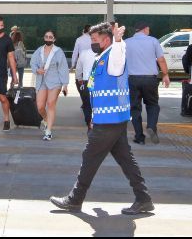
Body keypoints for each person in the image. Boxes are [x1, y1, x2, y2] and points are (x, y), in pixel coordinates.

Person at [50, 21, 154, 215]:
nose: (92, 42)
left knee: (90, 158)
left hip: (109, 122)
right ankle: (143, 198)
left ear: (106, 40)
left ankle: (74, 199)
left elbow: (119, 53)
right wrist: (93, 116)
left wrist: (118, 40)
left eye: (95, 39)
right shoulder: (102, 58)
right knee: (126, 160)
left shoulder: (114, 57)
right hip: (111, 119)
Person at [125, 22, 170, 145]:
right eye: (148, 29)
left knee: (135, 108)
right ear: (145, 29)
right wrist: (165, 74)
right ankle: (151, 126)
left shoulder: (126, 42)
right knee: (153, 105)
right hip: (150, 79)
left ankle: (139, 137)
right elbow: (161, 59)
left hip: (133, 79)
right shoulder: (153, 41)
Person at [30, 30, 69, 141]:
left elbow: (63, 68)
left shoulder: (58, 51)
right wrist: (37, 70)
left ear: (54, 39)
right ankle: (46, 121)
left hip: (55, 81)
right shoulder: (39, 50)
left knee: (51, 103)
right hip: (41, 81)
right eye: (46, 36)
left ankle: (48, 131)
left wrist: (65, 84)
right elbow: (33, 63)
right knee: (40, 107)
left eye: (50, 37)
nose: (48, 39)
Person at [75, 44, 97, 131]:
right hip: (100, 82)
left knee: (87, 105)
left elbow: (78, 69)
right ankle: (96, 124)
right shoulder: (108, 52)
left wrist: (79, 79)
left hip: (88, 80)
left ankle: (89, 124)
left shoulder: (84, 53)